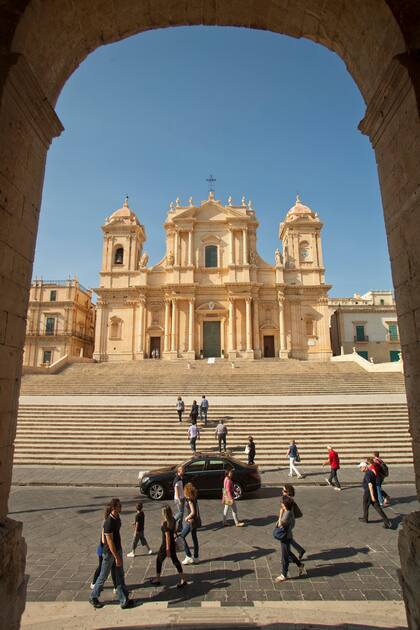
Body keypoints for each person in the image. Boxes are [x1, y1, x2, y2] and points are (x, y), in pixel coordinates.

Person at [90, 498, 134, 609]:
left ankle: (124, 599)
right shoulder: (108, 522)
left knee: (119, 575)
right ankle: (93, 596)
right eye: (119, 506)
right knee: (103, 576)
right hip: (110, 554)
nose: (121, 507)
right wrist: (116, 557)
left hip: (117, 550)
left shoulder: (117, 517)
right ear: (114, 508)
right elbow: (108, 542)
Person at [149, 505, 188, 588]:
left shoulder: (165, 523)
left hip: (165, 545)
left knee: (158, 560)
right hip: (172, 543)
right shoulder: (173, 520)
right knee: (175, 561)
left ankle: (158, 579)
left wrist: (167, 549)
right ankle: (183, 579)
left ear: (164, 513)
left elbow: (167, 537)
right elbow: (174, 530)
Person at [274, 495, 306, 582]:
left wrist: (280, 514)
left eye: (283, 504)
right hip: (288, 535)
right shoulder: (290, 510)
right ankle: (300, 565)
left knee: (285, 556)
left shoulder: (287, 514)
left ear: (286, 506)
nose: (281, 504)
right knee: (288, 552)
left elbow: (280, 524)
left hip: (285, 536)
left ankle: (284, 574)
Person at [358, 461, 391, 528]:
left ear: (365, 467)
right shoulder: (371, 472)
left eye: (361, 467)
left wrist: (372, 496)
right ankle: (387, 522)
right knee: (377, 507)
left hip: (368, 493)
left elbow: (370, 485)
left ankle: (365, 518)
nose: (360, 469)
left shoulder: (367, 474)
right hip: (373, 492)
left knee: (365, 504)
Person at [90, 522, 117, 592]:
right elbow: (103, 540)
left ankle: (116, 587)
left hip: (105, 550)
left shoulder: (108, 524)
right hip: (104, 550)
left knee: (112, 568)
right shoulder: (106, 525)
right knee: (105, 568)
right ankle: (94, 583)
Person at [282, 484, 305, 560]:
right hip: (289, 521)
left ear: (288, 492)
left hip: (289, 522)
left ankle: (289, 556)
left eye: (284, 491)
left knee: (287, 538)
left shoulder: (289, 500)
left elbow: (287, 512)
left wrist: (281, 521)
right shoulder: (286, 498)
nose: (282, 491)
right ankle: (300, 550)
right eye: (282, 490)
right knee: (288, 538)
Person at [180, 483, 200, 564]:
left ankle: (188, 556)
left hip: (190, 521)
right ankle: (196, 557)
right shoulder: (194, 498)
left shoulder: (190, 500)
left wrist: (186, 518)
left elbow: (193, 512)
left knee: (181, 537)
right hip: (194, 521)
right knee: (194, 539)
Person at [173, 465, 186, 533]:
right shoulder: (177, 480)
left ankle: (180, 527)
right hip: (179, 499)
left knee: (182, 513)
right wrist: (179, 500)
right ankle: (173, 521)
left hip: (182, 498)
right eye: (182, 470)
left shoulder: (180, 478)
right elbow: (177, 490)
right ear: (179, 471)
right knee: (180, 512)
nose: (183, 471)